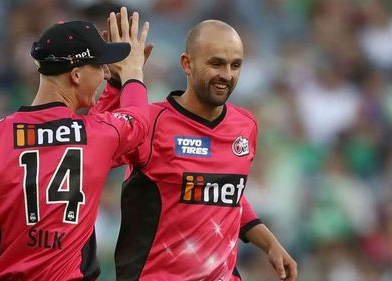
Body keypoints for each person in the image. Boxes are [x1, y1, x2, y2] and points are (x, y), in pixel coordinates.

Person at [0, 7, 150, 281]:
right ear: (77, 75)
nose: (105, 74)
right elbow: (136, 123)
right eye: (100, 67)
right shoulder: (96, 136)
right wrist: (132, 74)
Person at [99, 18, 298, 281]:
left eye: (235, 65)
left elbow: (227, 194)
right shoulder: (152, 122)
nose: (226, 75)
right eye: (216, 63)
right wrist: (117, 82)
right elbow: (94, 148)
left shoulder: (245, 125)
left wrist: (270, 244)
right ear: (187, 64)